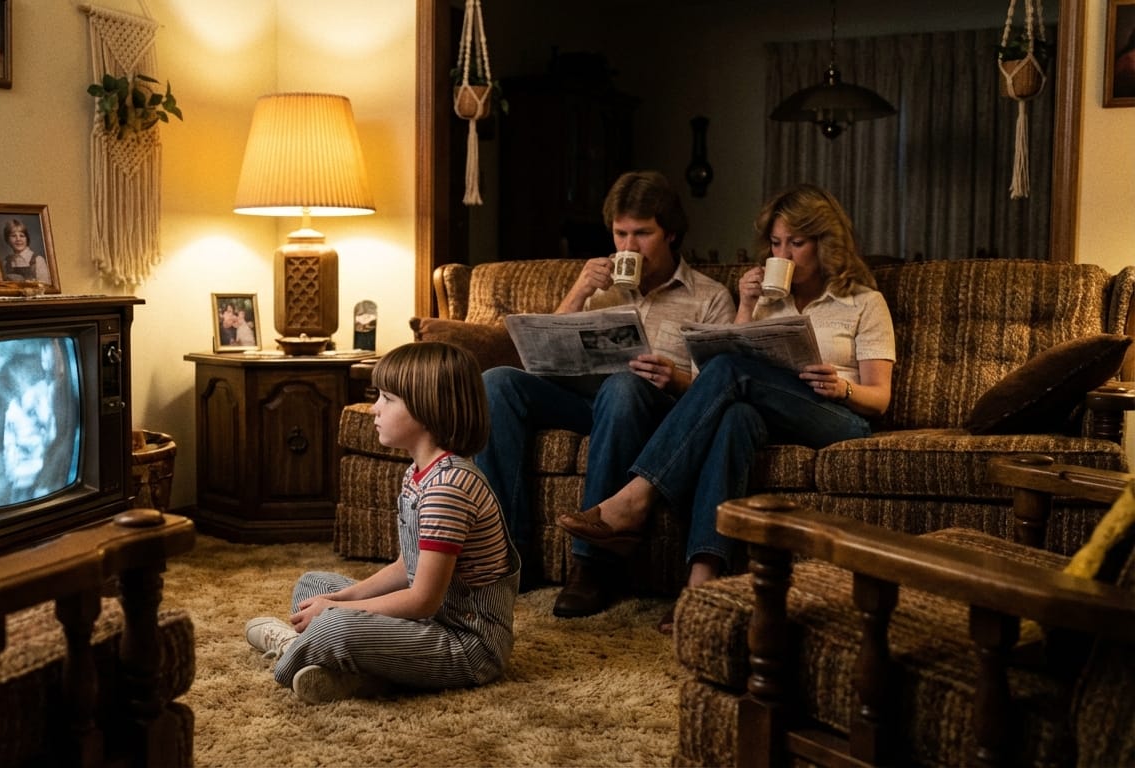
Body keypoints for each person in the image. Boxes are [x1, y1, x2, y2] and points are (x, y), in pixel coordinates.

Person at [558, 183, 896, 633]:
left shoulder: (864, 301)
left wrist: (842, 387)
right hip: (768, 412)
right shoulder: (769, 298)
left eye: (796, 243)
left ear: (825, 243)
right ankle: (701, 584)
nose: (785, 254)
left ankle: (636, 496)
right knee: (734, 416)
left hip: (837, 416)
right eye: (776, 244)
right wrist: (749, 308)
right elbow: (728, 357)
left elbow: (880, 397)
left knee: (730, 370)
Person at [475, 170, 736, 619]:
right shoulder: (600, 288)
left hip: (658, 410)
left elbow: (713, 392)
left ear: (671, 234)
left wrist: (672, 376)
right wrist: (579, 290)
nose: (629, 247)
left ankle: (591, 565)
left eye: (642, 234)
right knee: (497, 381)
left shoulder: (711, 299)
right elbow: (542, 357)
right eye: (620, 234)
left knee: (624, 384)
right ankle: (505, 554)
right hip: (588, 400)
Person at [242, 341, 520, 704]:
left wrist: (338, 612)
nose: (374, 408)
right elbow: (409, 567)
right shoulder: (418, 474)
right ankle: (357, 676)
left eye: (387, 399)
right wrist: (338, 597)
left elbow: (422, 600)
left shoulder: (449, 487)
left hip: (466, 645)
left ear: (427, 407)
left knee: (333, 624)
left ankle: (293, 651)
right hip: (429, 625)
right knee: (312, 586)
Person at [0, 218, 52, 284]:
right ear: (7, 240)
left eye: (22, 236)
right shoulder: (5, 262)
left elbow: (46, 287)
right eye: (13, 236)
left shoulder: (38, 260)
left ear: (27, 239)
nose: (18, 239)